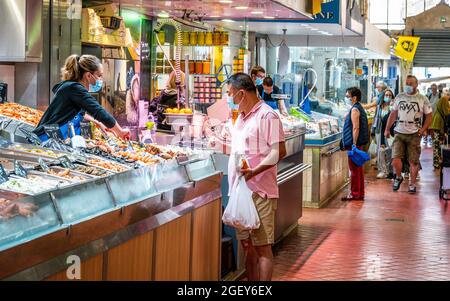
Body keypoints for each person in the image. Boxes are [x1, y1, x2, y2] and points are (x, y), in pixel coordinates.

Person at [210, 72, 286, 281]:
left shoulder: (267, 115)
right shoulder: (240, 119)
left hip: (260, 191)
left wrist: (254, 171)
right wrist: (218, 144)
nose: (228, 99)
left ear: (241, 94)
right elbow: (239, 150)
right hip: (240, 190)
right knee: (247, 247)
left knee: (262, 248)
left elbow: (278, 152)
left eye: (230, 94)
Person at [34, 54, 130, 141]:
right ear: (88, 75)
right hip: (46, 137)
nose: (101, 80)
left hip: (53, 136)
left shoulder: (72, 88)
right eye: (99, 75)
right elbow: (98, 111)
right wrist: (120, 131)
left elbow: (80, 113)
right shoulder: (74, 88)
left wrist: (98, 122)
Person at [384, 75, 433, 194]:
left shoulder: (422, 99)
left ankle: (412, 183)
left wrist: (424, 129)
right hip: (399, 131)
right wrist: (387, 129)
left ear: (416, 85)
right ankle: (399, 177)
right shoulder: (399, 97)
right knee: (395, 159)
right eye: (407, 83)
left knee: (413, 161)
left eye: (411, 83)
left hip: (414, 133)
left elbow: (429, 116)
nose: (408, 86)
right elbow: (393, 114)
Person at [341, 87, 369, 201]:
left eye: (348, 96)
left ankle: (355, 193)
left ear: (354, 98)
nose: (346, 98)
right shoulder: (357, 107)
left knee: (354, 170)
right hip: (357, 143)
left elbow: (356, 127)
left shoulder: (355, 109)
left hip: (354, 144)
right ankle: (359, 193)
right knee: (358, 169)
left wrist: (353, 143)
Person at [377, 89, 396, 179]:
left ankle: (391, 171)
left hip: (391, 133)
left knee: (390, 153)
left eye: (389, 95)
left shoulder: (393, 108)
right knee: (381, 151)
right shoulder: (380, 107)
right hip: (381, 131)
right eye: (386, 95)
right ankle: (383, 170)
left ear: (392, 97)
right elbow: (378, 120)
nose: (387, 97)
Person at [429, 94, 450, 169]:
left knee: (438, 144)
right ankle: (436, 163)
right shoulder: (445, 99)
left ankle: (437, 162)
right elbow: (447, 112)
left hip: (437, 124)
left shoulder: (444, 99)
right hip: (438, 125)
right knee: (437, 144)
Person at [424, 83, 441, 147]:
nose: (433, 90)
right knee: (430, 129)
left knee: (435, 129)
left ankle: (435, 141)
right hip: (430, 115)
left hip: (437, 115)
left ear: (436, 89)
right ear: (431, 89)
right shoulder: (429, 95)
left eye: (435, 88)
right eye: (432, 88)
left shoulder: (439, 95)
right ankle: (432, 140)